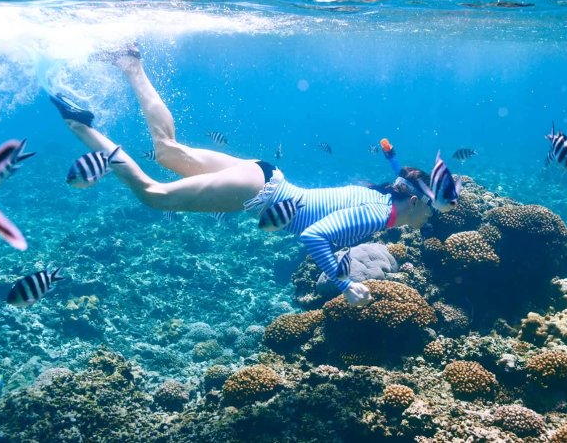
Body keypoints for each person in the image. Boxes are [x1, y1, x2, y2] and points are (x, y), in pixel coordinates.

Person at [48, 47, 437, 306]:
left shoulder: (379, 198)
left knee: (167, 150)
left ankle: (131, 63)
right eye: (430, 212)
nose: (429, 221)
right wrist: (343, 284)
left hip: (266, 175)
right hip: (260, 194)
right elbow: (313, 235)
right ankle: (80, 127)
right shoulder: (377, 215)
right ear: (415, 202)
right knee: (153, 194)